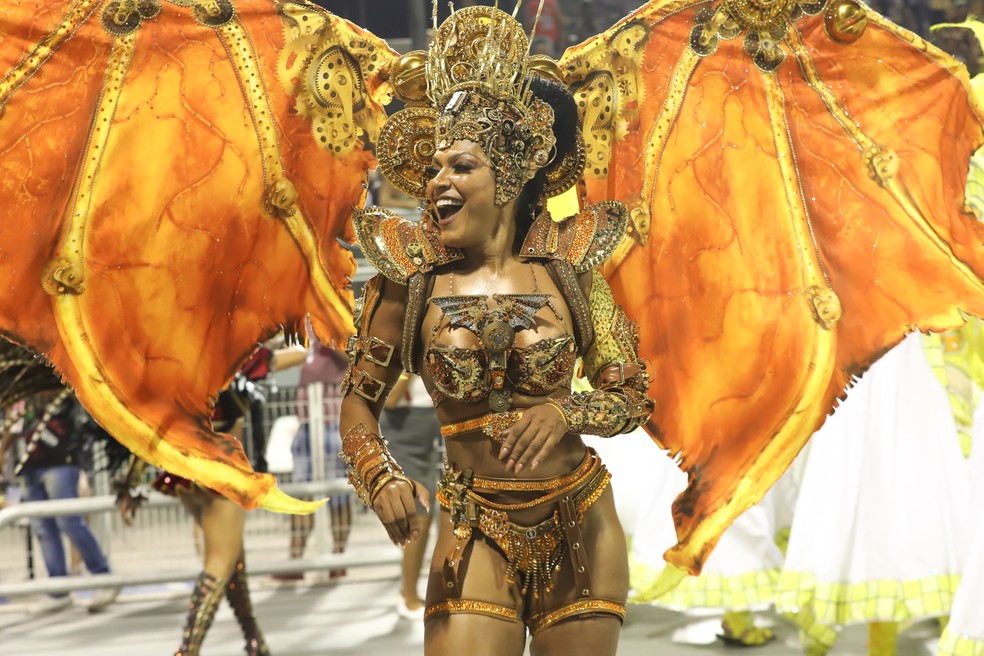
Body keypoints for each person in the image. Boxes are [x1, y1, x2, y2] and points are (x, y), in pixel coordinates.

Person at [339, 6, 654, 655]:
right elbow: (357, 404)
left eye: (460, 166)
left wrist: (566, 412)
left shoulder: (571, 267)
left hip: (581, 522)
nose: (437, 182)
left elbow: (630, 398)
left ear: (508, 177)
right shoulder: (410, 277)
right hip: (473, 526)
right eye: (433, 168)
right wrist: (380, 475)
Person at [118, 384, 272, 656]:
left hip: (188, 471)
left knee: (233, 560)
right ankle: (188, 650)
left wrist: (130, 482)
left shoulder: (172, 374)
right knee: (220, 563)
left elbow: (150, 425)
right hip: (219, 472)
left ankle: (254, 639)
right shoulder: (224, 370)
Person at [0, 388, 120, 614]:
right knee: (43, 528)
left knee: (69, 521)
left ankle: (103, 577)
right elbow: (14, 422)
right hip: (29, 464)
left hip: (62, 461)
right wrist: (4, 450)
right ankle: (58, 590)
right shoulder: (24, 391)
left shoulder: (63, 383)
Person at [276, 342, 352, 580]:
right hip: (306, 424)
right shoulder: (305, 331)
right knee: (301, 495)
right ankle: (295, 563)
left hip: (333, 422)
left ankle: (338, 559)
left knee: (339, 496)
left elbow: (354, 356)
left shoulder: (336, 328)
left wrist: (328, 336)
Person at [381, 373, 441, 618]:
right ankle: (408, 596)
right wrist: (412, 365)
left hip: (427, 428)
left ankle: (410, 591)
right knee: (419, 514)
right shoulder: (403, 356)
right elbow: (391, 398)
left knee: (428, 514)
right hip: (402, 430)